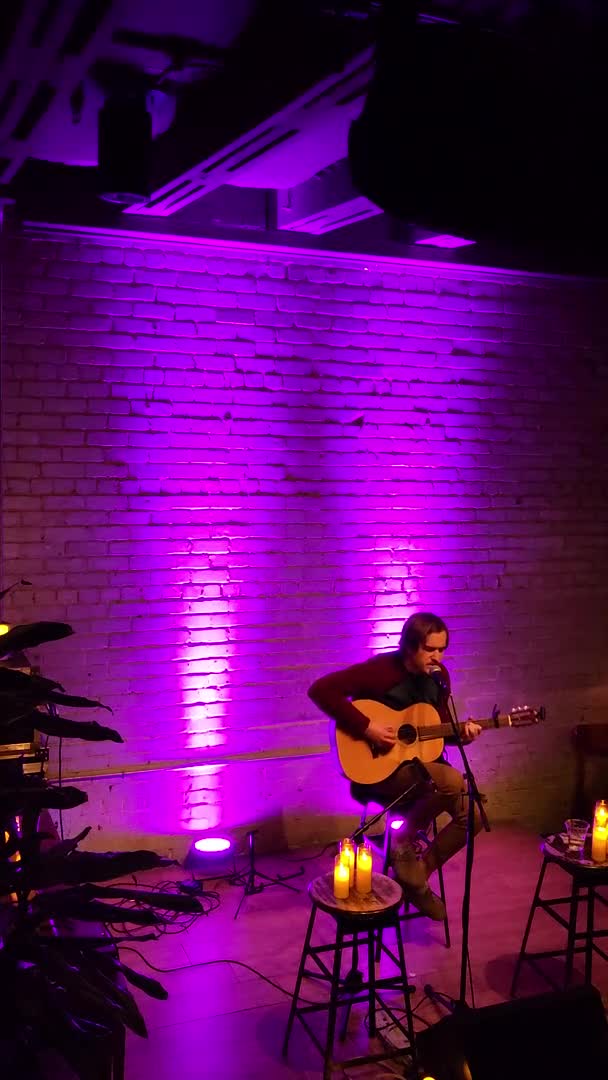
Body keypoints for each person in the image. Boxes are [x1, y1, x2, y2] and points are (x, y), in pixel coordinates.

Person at [308, 611, 483, 920]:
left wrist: (464, 736)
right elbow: (321, 690)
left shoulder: (439, 678)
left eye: (442, 649)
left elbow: (438, 731)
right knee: (452, 781)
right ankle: (402, 841)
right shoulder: (381, 670)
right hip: (381, 771)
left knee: (474, 817)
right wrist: (367, 727)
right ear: (410, 646)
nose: (437, 657)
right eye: (430, 649)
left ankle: (415, 877)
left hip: (423, 769)